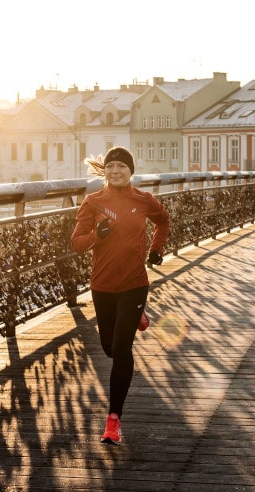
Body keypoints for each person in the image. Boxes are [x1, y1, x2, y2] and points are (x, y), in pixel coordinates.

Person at [70, 146, 170, 445]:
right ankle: (136, 317)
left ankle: (113, 420)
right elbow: (76, 244)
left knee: (122, 349)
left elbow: (163, 221)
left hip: (134, 282)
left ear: (131, 171)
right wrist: (96, 237)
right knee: (109, 347)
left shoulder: (144, 200)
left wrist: (156, 249)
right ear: (105, 171)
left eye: (122, 167)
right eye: (111, 166)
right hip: (102, 285)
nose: (116, 171)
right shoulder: (94, 202)